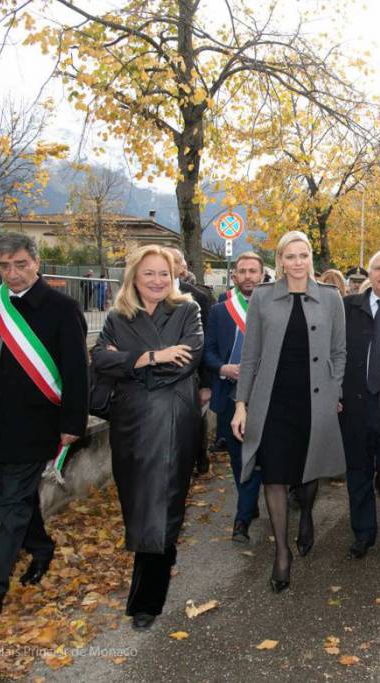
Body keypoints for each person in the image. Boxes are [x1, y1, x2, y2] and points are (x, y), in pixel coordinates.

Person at [0, 233, 88, 620]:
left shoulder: (62, 308)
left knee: (11, 503)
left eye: (21, 265)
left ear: (36, 263)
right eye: (5, 266)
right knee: (21, 496)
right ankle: (41, 548)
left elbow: (77, 372)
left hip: (35, 424)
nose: (12, 274)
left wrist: (71, 424)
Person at [90, 245, 203, 629]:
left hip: (173, 420)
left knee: (162, 503)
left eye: (164, 273)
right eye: (149, 273)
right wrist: (152, 357)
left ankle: (146, 603)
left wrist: (128, 362)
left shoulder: (188, 310)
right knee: (137, 502)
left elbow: (187, 358)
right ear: (134, 278)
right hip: (130, 424)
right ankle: (161, 558)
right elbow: (99, 359)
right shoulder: (117, 316)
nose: (157, 281)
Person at [232, 230, 347, 593]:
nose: (297, 262)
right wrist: (241, 404)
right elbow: (250, 356)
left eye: (304, 255)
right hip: (273, 403)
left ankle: (308, 515)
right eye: (290, 256)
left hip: (314, 401)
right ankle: (282, 553)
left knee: (308, 468)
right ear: (279, 260)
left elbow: (340, 351)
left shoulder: (331, 298)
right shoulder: (263, 298)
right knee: (275, 475)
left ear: (311, 259)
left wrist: (334, 390)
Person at [339, 250, 380, 559]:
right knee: (358, 471)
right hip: (355, 404)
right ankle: (363, 532)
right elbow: (334, 353)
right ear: (369, 273)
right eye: (377, 268)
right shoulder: (348, 308)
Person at [204, 252, 265, 543]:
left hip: (266, 396)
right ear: (234, 276)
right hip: (230, 393)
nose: (248, 276)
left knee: (259, 455)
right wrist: (222, 367)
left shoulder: (271, 308)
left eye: (254, 271)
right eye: (243, 271)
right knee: (239, 458)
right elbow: (208, 351)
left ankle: (241, 520)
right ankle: (247, 505)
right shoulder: (220, 311)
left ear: (263, 275)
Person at [166, 247, 213, 475]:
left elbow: (206, 344)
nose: (168, 264)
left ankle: (198, 455)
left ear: (183, 267)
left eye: (174, 260)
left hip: (188, 378)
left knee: (192, 426)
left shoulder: (199, 298)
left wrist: (206, 383)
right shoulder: (137, 295)